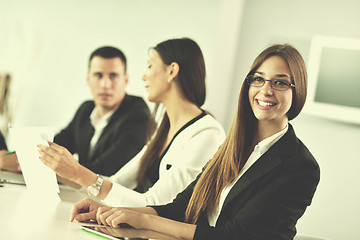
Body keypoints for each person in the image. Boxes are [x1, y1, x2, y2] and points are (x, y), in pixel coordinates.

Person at [69, 44, 320, 240]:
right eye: (258, 79)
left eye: (280, 82)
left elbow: (235, 236)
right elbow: (180, 207)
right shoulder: (232, 147)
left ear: (297, 91)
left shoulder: (300, 166)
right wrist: (107, 212)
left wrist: (143, 220)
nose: (266, 90)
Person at [38, 38, 226, 207]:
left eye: (150, 66)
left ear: (172, 71)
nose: (143, 76)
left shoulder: (207, 134)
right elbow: (117, 182)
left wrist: (77, 172)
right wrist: (61, 170)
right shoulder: (165, 127)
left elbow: (156, 205)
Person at [1, 46, 151, 177]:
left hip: (116, 205)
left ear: (126, 80)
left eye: (113, 76)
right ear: (88, 79)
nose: (105, 84)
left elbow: (101, 172)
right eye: (98, 75)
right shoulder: (86, 109)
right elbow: (58, 145)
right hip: (82, 197)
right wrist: (20, 157)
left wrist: (27, 164)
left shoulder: (137, 115)